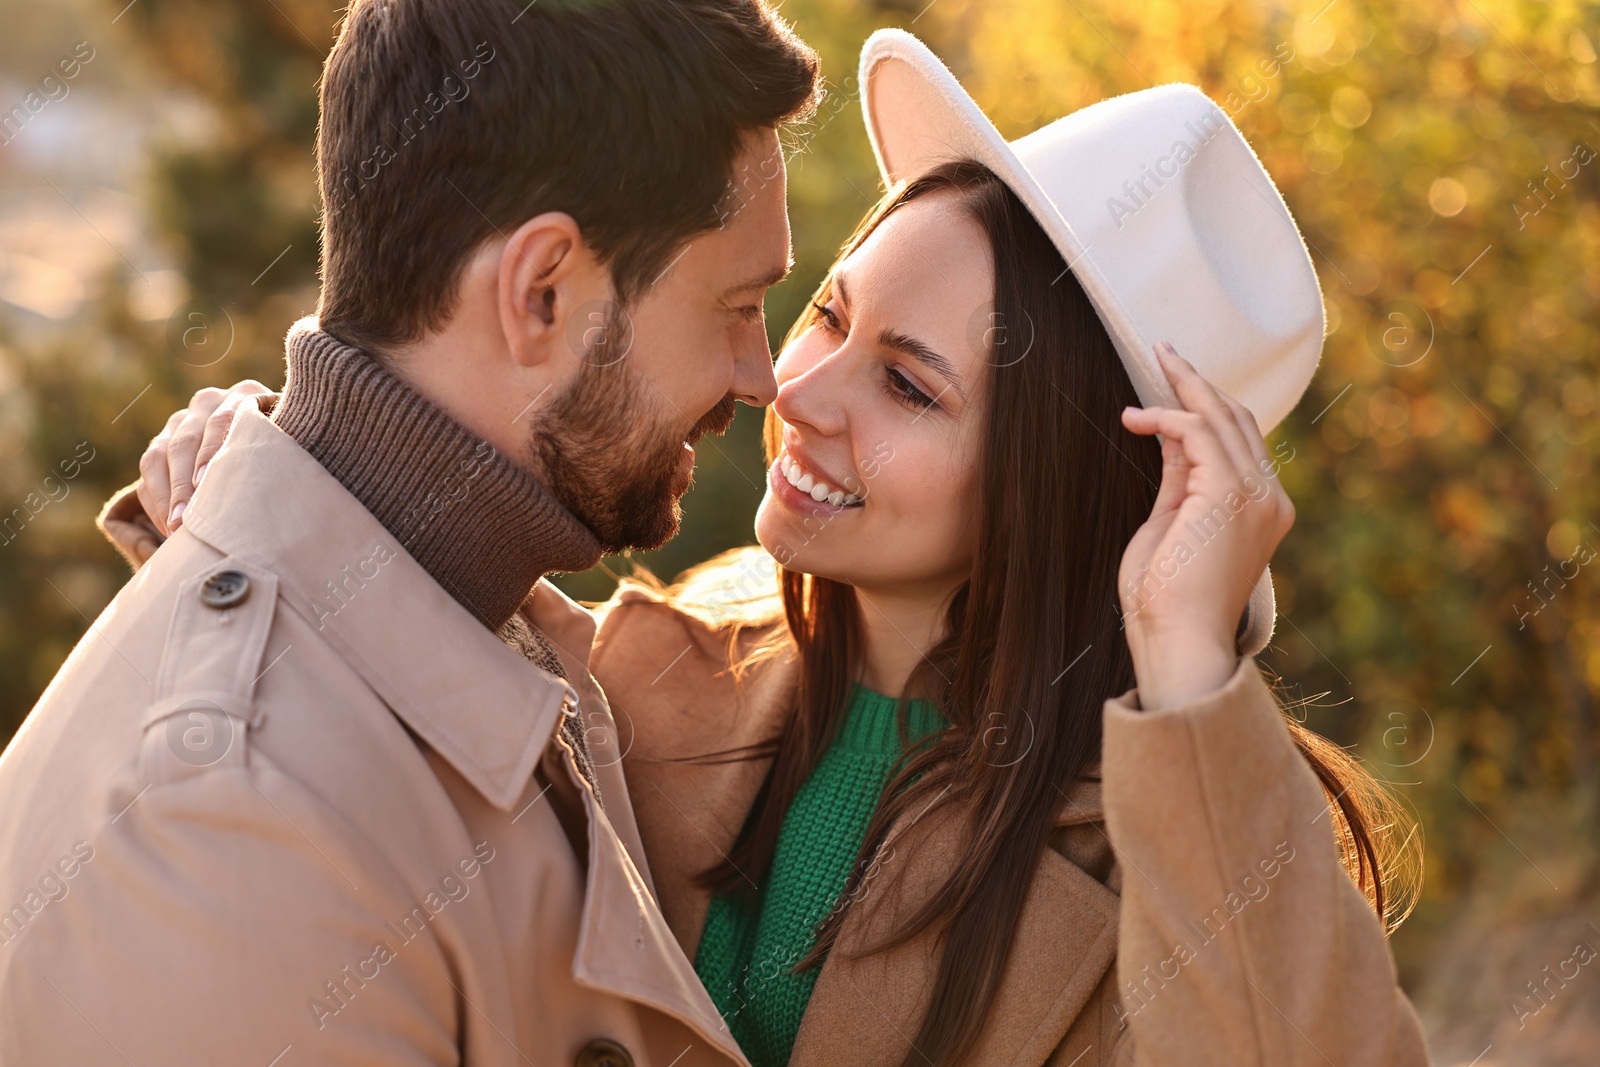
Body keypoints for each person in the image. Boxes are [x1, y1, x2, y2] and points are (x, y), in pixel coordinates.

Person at [98, 28, 1434, 1067]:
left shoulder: (1180, 838)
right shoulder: (657, 662)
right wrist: (266, 474)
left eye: (909, 386)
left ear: (1062, 483)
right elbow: (389, 706)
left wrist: (1192, 660)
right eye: (830, 313)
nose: (800, 391)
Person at [0, 1, 817, 1065]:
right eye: (738, 305)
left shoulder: (460, 611)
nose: (762, 380)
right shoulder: (239, 836)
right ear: (542, 291)